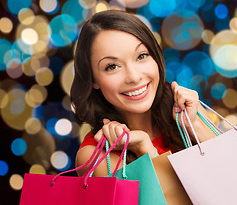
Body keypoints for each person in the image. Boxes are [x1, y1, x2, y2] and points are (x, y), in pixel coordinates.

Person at [71, 10, 215, 177]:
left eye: (141, 56)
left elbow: (236, 175)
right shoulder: (96, 156)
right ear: (93, 79)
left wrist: (194, 125)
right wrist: (145, 150)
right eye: (112, 66)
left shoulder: (188, 113)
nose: (134, 76)